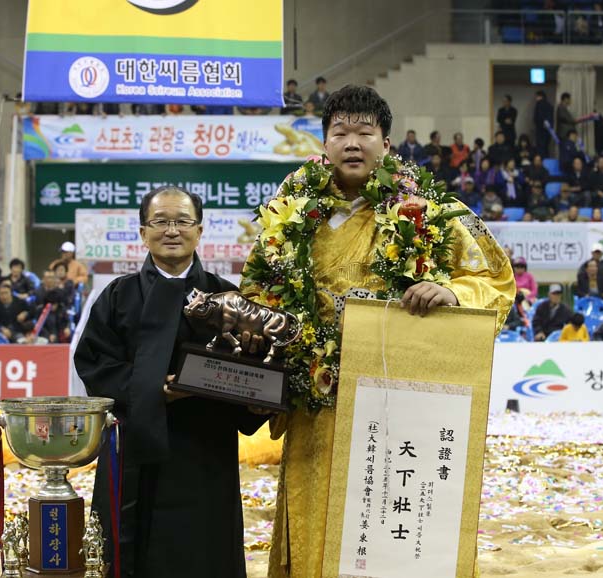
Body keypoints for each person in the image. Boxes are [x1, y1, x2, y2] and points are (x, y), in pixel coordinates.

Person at [238, 85, 515, 578]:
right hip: (316, 405)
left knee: (394, 522)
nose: (352, 142)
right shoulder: (289, 214)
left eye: (365, 133)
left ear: (387, 145)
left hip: (400, 404)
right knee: (319, 522)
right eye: (339, 132)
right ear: (323, 143)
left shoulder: (428, 211)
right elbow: (257, 290)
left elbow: (494, 278)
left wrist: (452, 294)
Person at [74, 185, 267, 578]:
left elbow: (253, 373)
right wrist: (153, 389)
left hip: (205, 449)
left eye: (182, 221)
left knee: (203, 552)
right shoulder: (117, 296)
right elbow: (93, 362)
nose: (172, 230)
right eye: (160, 222)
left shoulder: (227, 297)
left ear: (200, 230)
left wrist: (258, 393)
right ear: (143, 232)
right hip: (134, 446)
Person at [533, 90, 554, 158]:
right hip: (548, 130)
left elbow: (538, 117)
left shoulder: (539, 104)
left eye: (536, 96)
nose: (535, 98)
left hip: (540, 130)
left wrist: (536, 123)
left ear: (540, 96)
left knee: (540, 148)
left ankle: (541, 163)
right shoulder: (549, 105)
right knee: (546, 148)